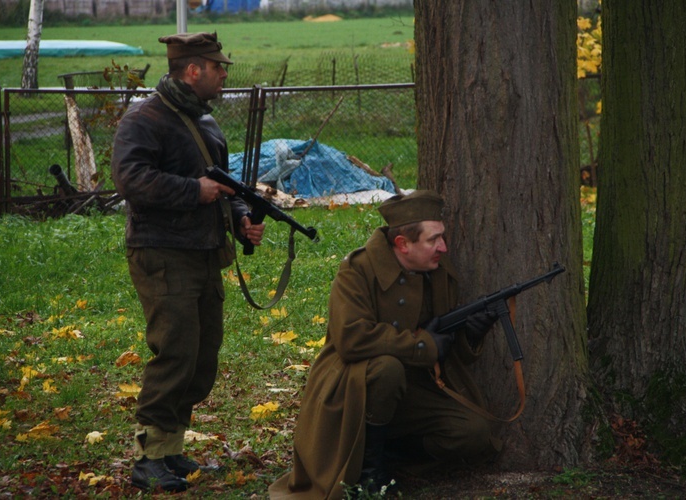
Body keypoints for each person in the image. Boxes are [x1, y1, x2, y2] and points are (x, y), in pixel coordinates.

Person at [269, 190, 501, 499]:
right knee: (388, 369)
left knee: (473, 433)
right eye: (433, 240)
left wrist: (471, 334)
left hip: (415, 385)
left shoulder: (440, 274)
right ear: (403, 245)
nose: (443, 247)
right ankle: (368, 472)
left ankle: (385, 451)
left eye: (442, 238)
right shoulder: (357, 270)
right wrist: (422, 346)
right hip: (353, 384)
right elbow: (352, 339)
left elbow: (446, 346)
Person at [111, 31, 265, 492]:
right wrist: (193, 191)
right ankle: (148, 458)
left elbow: (222, 184)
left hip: (203, 253)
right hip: (162, 252)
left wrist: (240, 217)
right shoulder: (145, 118)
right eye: (219, 67)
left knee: (201, 358)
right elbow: (131, 179)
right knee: (175, 352)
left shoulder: (204, 121)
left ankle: (170, 450)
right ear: (193, 69)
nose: (224, 74)